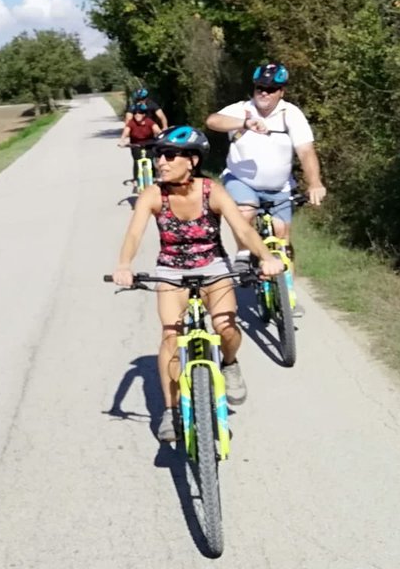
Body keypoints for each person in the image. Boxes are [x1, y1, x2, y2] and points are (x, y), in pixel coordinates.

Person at [111, 126, 285, 442]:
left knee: (226, 328)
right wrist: (124, 266)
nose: (160, 161)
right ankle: (171, 411)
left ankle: (229, 364)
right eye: (158, 154)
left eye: (169, 155)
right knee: (170, 338)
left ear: (191, 160)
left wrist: (265, 257)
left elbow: (243, 231)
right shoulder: (152, 195)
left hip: (214, 267)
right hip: (170, 271)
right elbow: (134, 234)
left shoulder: (212, 190)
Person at [205, 63, 326, 317]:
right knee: (245, 212)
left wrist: (315, 183)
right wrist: (245, 123)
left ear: (281, 91)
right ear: (255, 87)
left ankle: (289, 296)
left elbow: (305, 151)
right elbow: (212, 121)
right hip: (242, 181)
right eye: (261, 87)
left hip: (280, 187)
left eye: (272, 89)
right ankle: (244, 251)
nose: (265, 93)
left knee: (282, 238)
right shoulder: (242, 109)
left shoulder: (291, 114)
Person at [117, 104, 163, 192]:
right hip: (136, 144)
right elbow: (126, 132)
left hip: (149, 143)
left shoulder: (149, 122)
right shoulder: (132, 123)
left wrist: (162, 138)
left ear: (144, 114)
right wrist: (122, 141)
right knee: (137, 159)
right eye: (135, 113)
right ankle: (136, 180)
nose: (137, 114)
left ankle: (153, 177)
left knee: (151, 158)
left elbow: (158, 131)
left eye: (140, 113)